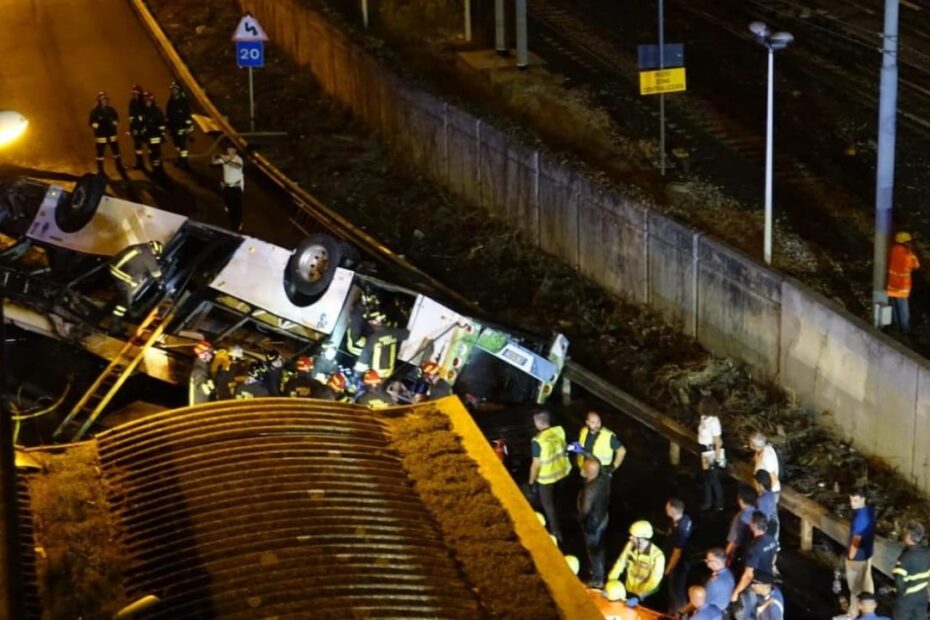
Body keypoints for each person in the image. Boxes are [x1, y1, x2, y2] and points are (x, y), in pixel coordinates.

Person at [528, 410, 571, 543]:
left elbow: (536, 464)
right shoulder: (559, 430)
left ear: (536, 422)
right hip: (563, 472)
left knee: (548, 506)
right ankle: (565, 520)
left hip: (546, 478)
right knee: (559, 500)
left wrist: (531, 481)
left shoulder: (537, 441)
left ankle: (556, 533)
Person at [731, 512, 778, 620]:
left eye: (750, 521)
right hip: (767, 579)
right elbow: (774, 556)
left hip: (756, 583)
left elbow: (748, 575)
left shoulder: (754, 547)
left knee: (748, 609)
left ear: (754, 526)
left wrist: (736, 592)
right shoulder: (771, 539)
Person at [107, 240, 165, 324]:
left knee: (126, 290)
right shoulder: (148, 256)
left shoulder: (140, 247)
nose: (154, 256)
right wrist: (161, 281)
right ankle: (115, 325)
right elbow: (156, 273)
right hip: (122, 275)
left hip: (113, 268)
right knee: (126, 300)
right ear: (155, 251)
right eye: (155, 254)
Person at [607, 520, 665, 601]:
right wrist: (611, 580)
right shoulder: (630, 546)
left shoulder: (657, 556)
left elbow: (654, 581)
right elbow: (620, 563)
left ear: (642, 539)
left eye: (633, 536)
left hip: (645, 596)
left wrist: (640, 596)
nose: (630, 538)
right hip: (629, 591)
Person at [577, 457, 610, 588]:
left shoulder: (589, 490)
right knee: (600, 547)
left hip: (592, 524)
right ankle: (599, 569)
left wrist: (580, 517)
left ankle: (597, 578)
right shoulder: (603, 479)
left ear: (588, 471)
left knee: (593, 550)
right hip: (602, 518)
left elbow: (585, 510)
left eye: (584, 468)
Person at [845, 486, 876, 619]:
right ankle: (869, 610)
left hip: (857, 558)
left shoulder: (860, 519)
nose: (852, 503)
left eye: (856, 500)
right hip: (868, 553)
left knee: (855, 587)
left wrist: (850, 556)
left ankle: (853, 613)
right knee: (867, 583)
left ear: (863, 499)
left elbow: (856, 541)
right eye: (851, 500)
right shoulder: (870, 511)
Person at [892, 521, 930, 620]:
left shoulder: (906, 557)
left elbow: (899, 580)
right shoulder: (927, 552)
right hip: (923, 595)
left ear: (908, 536)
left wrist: (900, 593)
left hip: (907, 598)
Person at [664, 497, 693, 614]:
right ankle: (674, 612)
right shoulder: (685, 519)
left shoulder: (680, 529)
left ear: (673, 510)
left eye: (667, 507)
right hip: (682, 562)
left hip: (678, 566)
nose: (665, 508)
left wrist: (668, 569)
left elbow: (677, 553)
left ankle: (679, 614)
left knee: (676, 591)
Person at [573, 411, 626, 476]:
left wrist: (613, 467)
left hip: (600, 474)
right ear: (587, 423)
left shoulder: (608, 436)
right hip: (584, 471)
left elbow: (622, 451)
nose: (597, 425)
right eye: (593, 422)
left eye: (598, 421)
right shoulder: (584, 431)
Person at [887, 232, 920, 333]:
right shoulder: (909, 254)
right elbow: (916, 266)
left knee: (893, 306)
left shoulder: (892, 250)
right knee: (903, 309)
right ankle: (905, 329)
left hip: (891, 285)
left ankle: (896, 327)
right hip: (903, 287)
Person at [750, 432, 781, 538]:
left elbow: (774, 479)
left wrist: (767, 495)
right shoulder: (763, 450)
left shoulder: (767, 458)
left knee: (771, 516)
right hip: (763, 488)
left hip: (769, 491)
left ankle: (773, 538)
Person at [697, 396, 725, 512]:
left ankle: (719, 503)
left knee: (713, 478)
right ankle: (708, 500)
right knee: (706, 477)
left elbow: (717, 441)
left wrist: (717, 458)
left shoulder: (714, 422)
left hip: (711, 450)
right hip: (703, 448)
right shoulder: (704, 418)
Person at [212, 144, 245, 231]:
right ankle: (232, 224)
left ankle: (237, 226)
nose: (229, 151)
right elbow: (214, 162)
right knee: (229, 208)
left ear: (235, 151)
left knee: (236, 208)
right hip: (226, 187)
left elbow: (237, 166)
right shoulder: (225, 158)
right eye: (228, 149)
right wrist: (215, 156)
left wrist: (226, 161)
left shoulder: (238, 159)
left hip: (236, 188)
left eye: (231, 149)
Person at [89, 92, 123, 174]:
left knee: (116, 152)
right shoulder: (95, 111)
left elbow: (116, 119)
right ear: (99, 101)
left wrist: (114, 123)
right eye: (102, 100)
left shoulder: (111, 110)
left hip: (112, 135)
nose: (104, 101)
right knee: (100, 154)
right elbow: (91, 122)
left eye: (105, 100)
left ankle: (119, 166)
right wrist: (97, 126)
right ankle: (100, 169)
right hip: (101, 136)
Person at [725, 484, 757, 565]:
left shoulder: (740, 517)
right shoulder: (758, 512)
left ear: (740, 500)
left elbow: (733, 541)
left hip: (743, 550)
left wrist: (725, 558)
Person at [166, 81, 193, 170]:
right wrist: (168, 127)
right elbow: (168, 115)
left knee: (182, 146)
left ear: (178, 90)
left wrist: (187, 127)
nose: (173, 91)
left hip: (182, 128)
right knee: (177, 145)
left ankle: (184, 162)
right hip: (174, 128)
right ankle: (180, 159)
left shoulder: (183, 101)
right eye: (172, 89)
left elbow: (187, 115)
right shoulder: (170, 101)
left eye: (175, 89)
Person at [142, 92, 167, 177]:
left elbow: (161, 123)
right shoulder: (144, 111)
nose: (147, 103)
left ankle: (158, 169)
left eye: (148, 101)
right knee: (151, 153)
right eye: (146, 101)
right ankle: (155, 168)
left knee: (156, 153)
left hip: (156, 135)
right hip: (149, 136)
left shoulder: (156, 110)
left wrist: (162, 134)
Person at [703, 547, 735, 613]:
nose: (706, 562)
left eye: (708, 560)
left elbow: (704, 603)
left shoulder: (713, 582)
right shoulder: (729, 575)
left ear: (717, 562)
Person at [189, 340, 215, 406]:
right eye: (209, 353)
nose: (210, 356)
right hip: (199, 408)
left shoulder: (201, 368)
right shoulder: (199, 370)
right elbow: (202, 391)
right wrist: (212, 386)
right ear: (202, 354)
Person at [754, 470, 779, 540]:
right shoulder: (771, 493)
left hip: (764, 527)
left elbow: (759, 516)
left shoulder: (761, 500)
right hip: (772, 525)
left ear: (760, 484)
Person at [127, 85, 147, 170]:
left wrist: (144, 127)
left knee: (151, 146)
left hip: (144, 127)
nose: (135, 95)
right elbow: (131, 117)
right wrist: (132, 129)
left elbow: (147, 115)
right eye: (133, 93)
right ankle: (140, 163)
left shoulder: (143, 102)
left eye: (136, 93)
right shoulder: (132, 102)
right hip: (136, 127)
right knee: (137, 146)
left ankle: (156, 163)